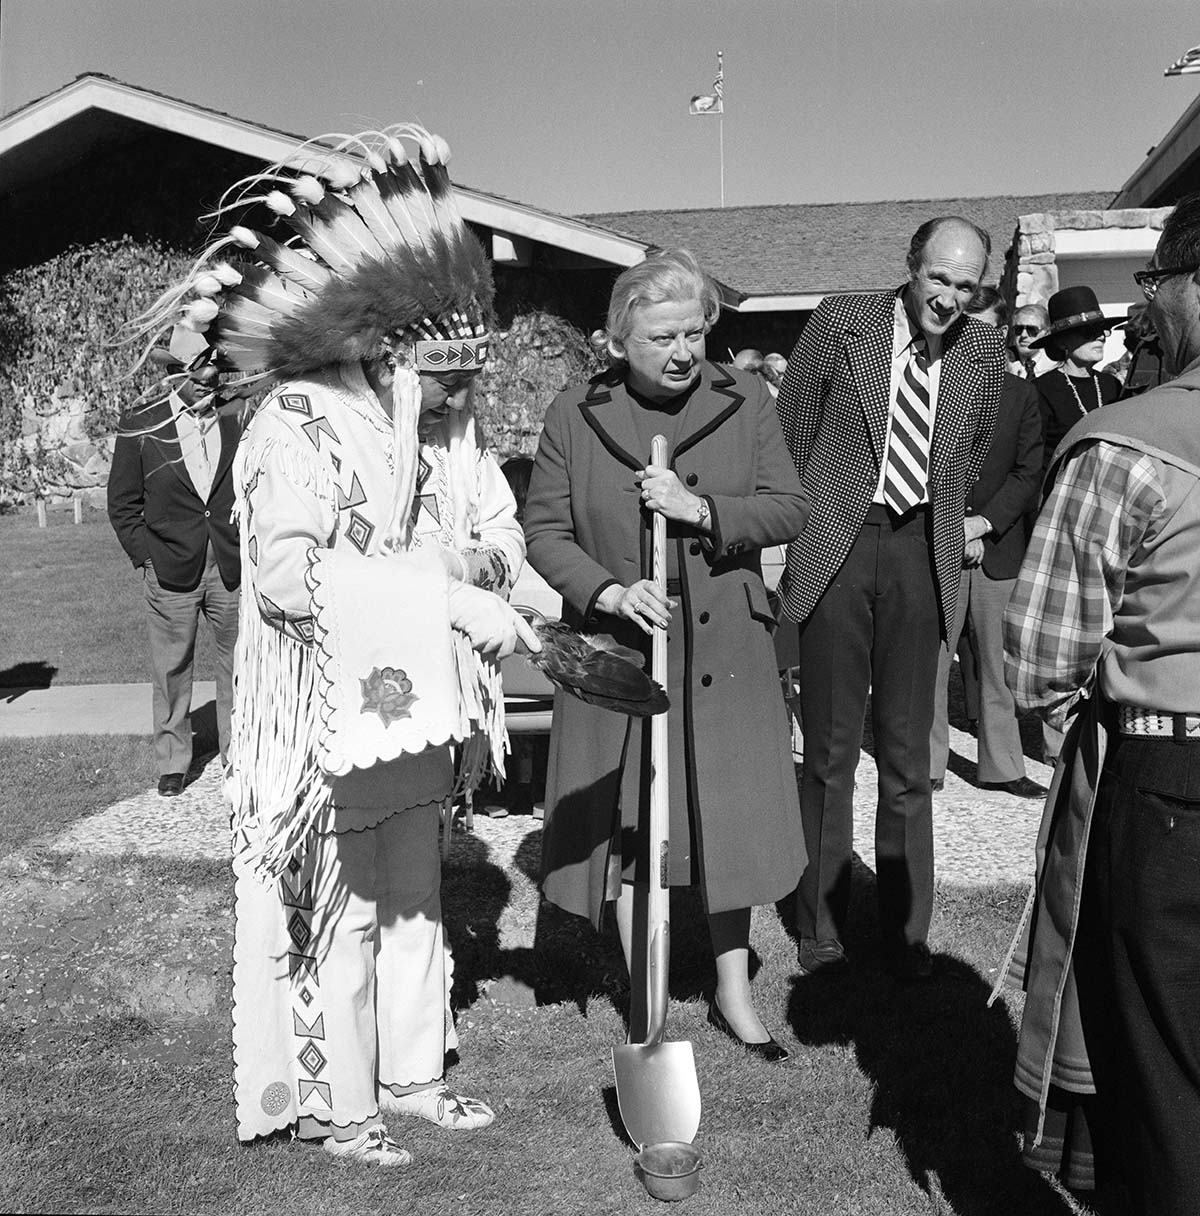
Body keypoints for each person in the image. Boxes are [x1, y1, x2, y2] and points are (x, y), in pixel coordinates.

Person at [128, 125, 539, 1166]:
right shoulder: (294, 423)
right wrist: (440, 594)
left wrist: (497, 583)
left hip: (412, 712)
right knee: (340, 912)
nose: (463, 402)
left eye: (468, 381)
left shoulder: (447, 431)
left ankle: (411, 1077)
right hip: (317, 720)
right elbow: (282, 579)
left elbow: (498, 530)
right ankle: (339, 1103)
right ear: (394, 355)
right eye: (448, 380)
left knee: (415, 896)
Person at [526, 249, 809, 1060]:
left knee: (726, 819)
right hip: (624, 650)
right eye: (662, 337)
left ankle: (732, 990)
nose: (684, 351)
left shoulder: (746, 397)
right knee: (628, 823)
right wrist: (608, 594)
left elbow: (790, 506)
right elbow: (543, 530)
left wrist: (701, 508)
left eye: (695, 332)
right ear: (618, 340)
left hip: (726, 651)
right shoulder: (572, 413)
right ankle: (643, 985)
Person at [998, 191, 1200, 1215]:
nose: (1147, 307)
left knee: (1165, 1071)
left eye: (1156, 282)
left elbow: (1038, 658)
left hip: (1171, 783)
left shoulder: (1125, 443)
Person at [776, 216, 1004, 981]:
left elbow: (968, 453)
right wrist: (822, 512)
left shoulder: (985, 351)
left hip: (921, 552)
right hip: (837, 543)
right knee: (830, 755)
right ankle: (822, 927)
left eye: (965, 286)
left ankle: (906, 934)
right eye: (939, 278)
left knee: (910, 761)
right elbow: (794, 431)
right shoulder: (843, 321)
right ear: (911, 266)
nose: (949, 297)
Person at [106, 325, 242, 796]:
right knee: (170, 670)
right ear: (174, 376)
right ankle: (173, 761)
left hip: (231, 566)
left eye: (215, 378)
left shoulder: (237, 416)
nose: (212, 385)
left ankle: (239, 753)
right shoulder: (141, 423)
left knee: (239, 664)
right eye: (202, 378)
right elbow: (122, 503)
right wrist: (145, 558)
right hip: (168, 570)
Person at [929, 287, 1046, 798]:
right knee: (930, 665)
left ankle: (1003, 767)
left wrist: (983, 525)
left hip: (999, 551)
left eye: (981, 326)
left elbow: (1028, 472)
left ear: (998, 331)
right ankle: (927, 765)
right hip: (939, 546)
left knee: (999, 669)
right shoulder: (928, 388)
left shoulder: (1021, 396)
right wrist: (955, 526)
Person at [1030, 286, 1123, 476]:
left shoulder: (1111, 385)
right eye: (1089, 331)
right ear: (1062, 341)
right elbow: (1033, 460)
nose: (1100, 337)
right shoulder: (1041, 390)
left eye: (1103, 330)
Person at [1007, 302, 1054, 380]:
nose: (1023, 335)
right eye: (1018, 329)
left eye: (1031, 330)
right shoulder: (1004, 365)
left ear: (1046, 333)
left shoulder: (1055, 365)